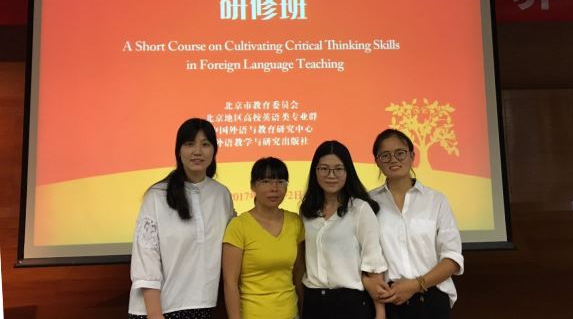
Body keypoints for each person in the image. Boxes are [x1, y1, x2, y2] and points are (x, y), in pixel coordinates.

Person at [128, 118, 235, 319]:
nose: (197, 151)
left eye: (205, 144)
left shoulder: (221, 195)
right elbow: (146, 260)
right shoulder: (157, 196)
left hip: (203, 305)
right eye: (189, 144)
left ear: (214, 150)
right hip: (158, 310)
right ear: (179, 150)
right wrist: (155, 314)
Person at [366, 128, 464, 319]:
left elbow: (452, 258)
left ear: (412, 156)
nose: (393, 159)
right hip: (389, 300)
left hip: (431, 297)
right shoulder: (367, 204)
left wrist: (416, 285)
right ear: (377, 161)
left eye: (400, 153)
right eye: (385, 155)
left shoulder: (436, 200)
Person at [299, 140, 387, 319]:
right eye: (324, 169)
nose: (331, 175)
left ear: (348, 172)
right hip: (313, 301)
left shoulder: (360, 209)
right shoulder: (307, 211)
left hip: (350, 303)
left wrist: (380, 312)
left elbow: (373, 264)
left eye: (338, 169)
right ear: (315, 171)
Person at [222, 157, 305, 319]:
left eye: (281, 182)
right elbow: (230, 282)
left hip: (290, 314)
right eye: (266, 181)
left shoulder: (295, 222)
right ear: (253, 186)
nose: (274, 188)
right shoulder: (239, 226)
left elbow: (299, 273)